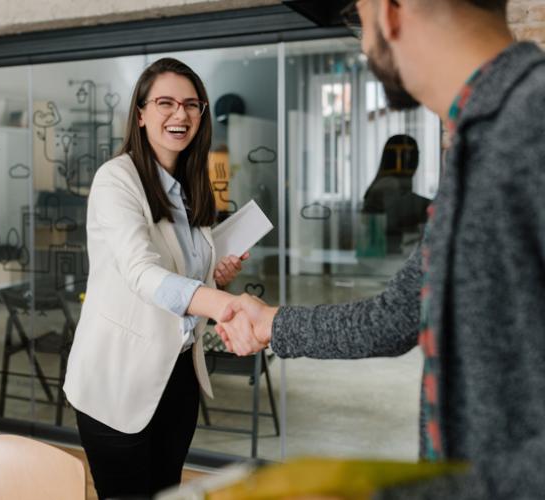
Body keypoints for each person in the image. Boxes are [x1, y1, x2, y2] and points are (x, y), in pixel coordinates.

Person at [216, 0, 545, 498]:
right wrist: (272, 324)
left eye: (360, 20)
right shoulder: (478, 143)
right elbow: (396, 317)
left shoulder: (530, 127)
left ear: (390, 11)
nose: (365, 42)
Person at [63, 58, 249, 500]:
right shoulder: (117, 179)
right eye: (165, 102)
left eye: (190, 104)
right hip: (116, 379)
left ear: (202, 115)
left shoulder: (190, 184)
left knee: (167, 492)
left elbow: (180, 273)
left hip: (177, 372)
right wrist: (225, 306)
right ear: (141, 114)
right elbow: (142, 272)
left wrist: (214, 276)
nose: (179, 114)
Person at [362, 134, 429, 253]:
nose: (415, 161)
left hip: (388, 253)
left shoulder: (391, 183)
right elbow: (400, 213)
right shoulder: (388, 183)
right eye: (413, 156)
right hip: (380, 258)